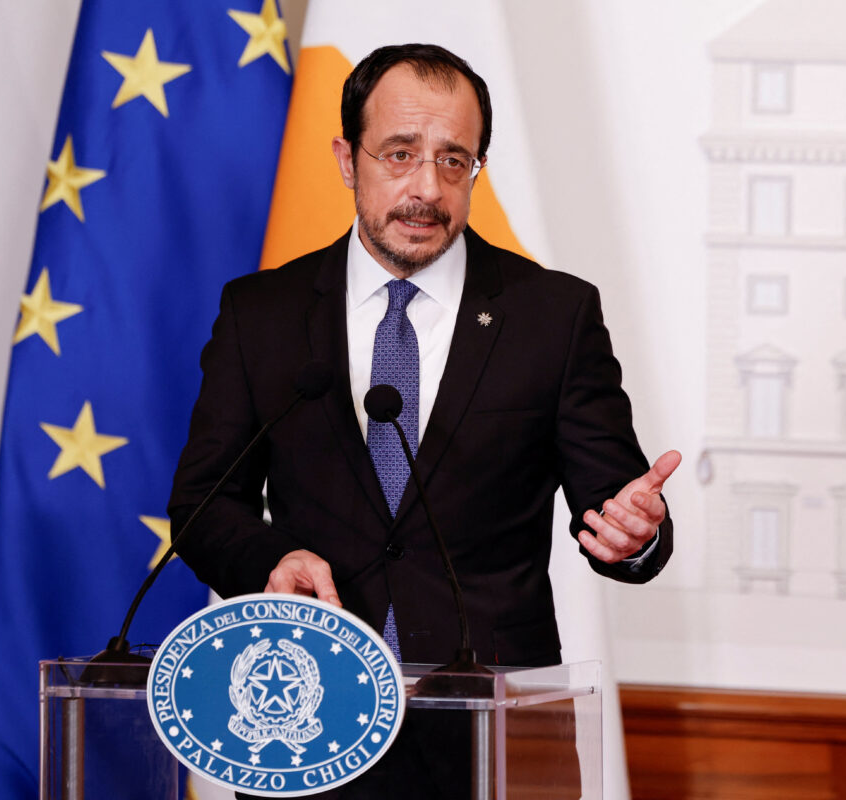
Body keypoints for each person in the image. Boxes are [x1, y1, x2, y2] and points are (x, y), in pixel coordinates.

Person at [169, 43, 679, 797]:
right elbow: (205, 506)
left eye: (454, 161)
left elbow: (615, 506)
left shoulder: (551, 315)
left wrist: (636, 534)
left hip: (494, 737)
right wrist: (272, 561)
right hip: (308, 715)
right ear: (348, 159)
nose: (426, 189)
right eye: (400, 154)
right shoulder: (262, 314)